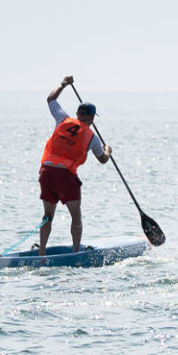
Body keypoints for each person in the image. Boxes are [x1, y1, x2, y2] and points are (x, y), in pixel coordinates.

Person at [36, 76, 112, 252]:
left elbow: (50, 99)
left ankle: (42, 251)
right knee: (76, 218)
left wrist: (64, 83)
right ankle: (76, 251)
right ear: (91, 118)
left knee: (47, 216)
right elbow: (102, 159)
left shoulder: (62, 119)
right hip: (66, 176)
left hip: (46, 172)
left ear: (78, 114)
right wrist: (107, 150)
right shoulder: (92, 137)